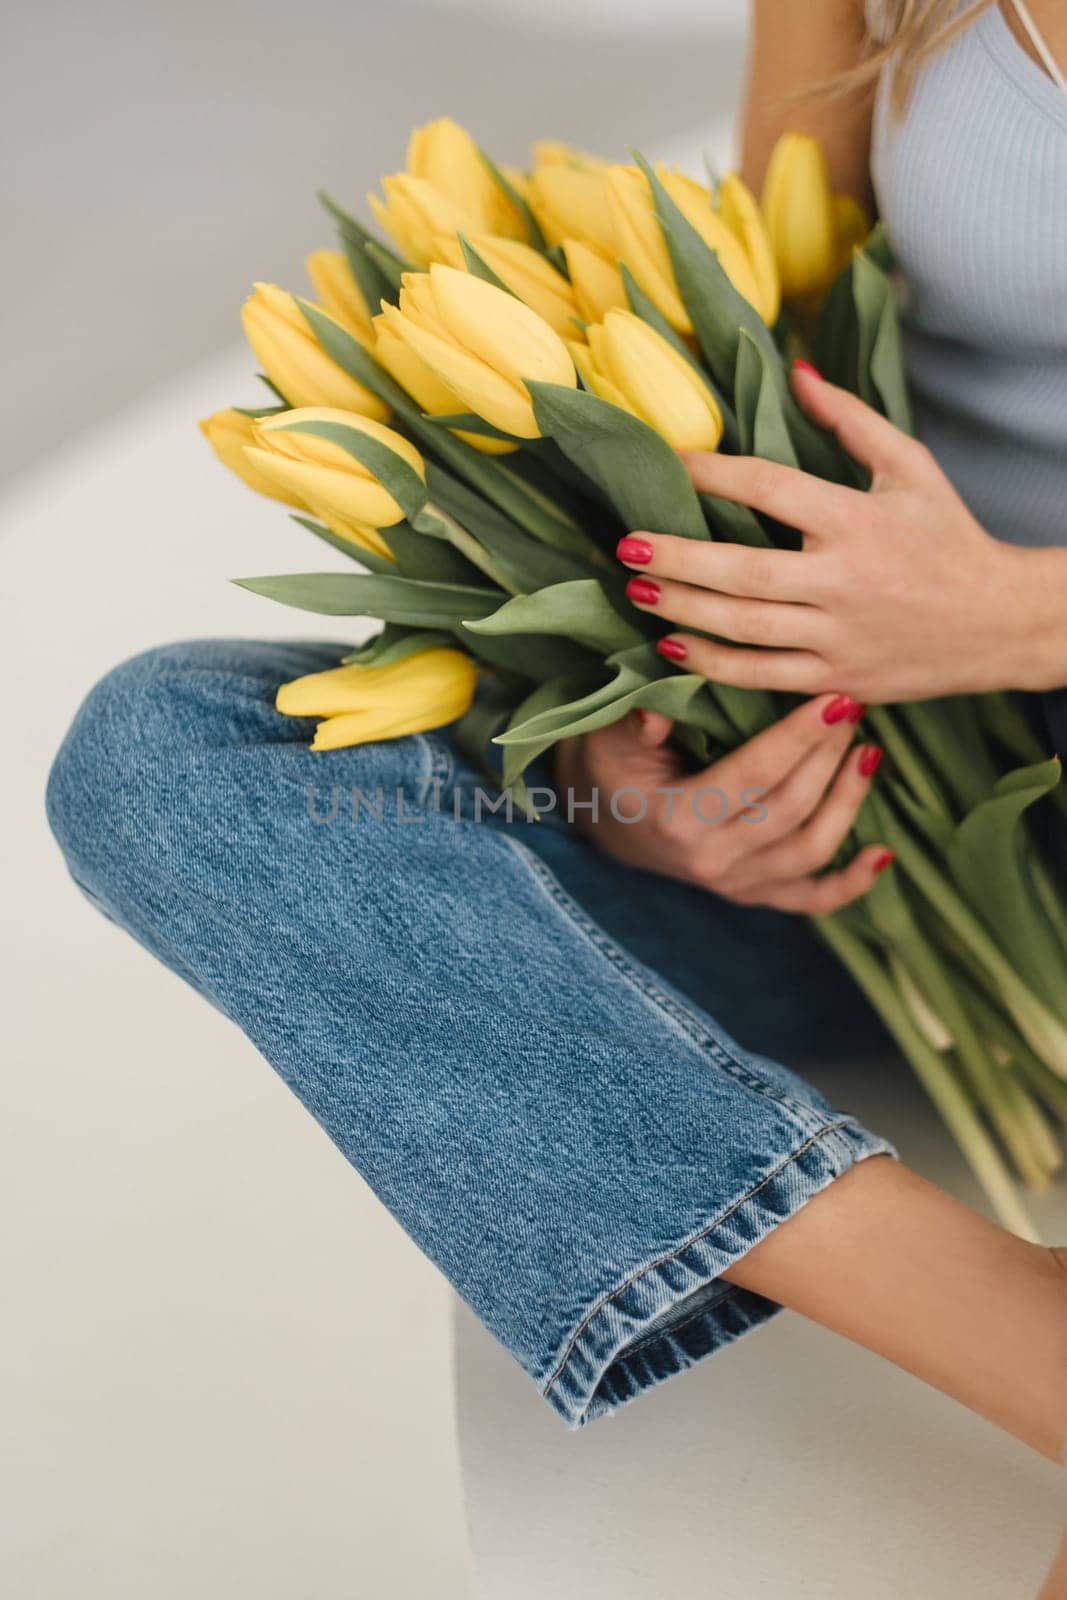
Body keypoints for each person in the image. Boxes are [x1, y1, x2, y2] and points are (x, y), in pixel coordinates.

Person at [46, 0, 1067, 1474]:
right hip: (873, 776)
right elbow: (775, 348)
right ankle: (1024, 1342)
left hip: (977, 661)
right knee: (169, 759)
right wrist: (637, 764)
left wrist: (1015, 618)